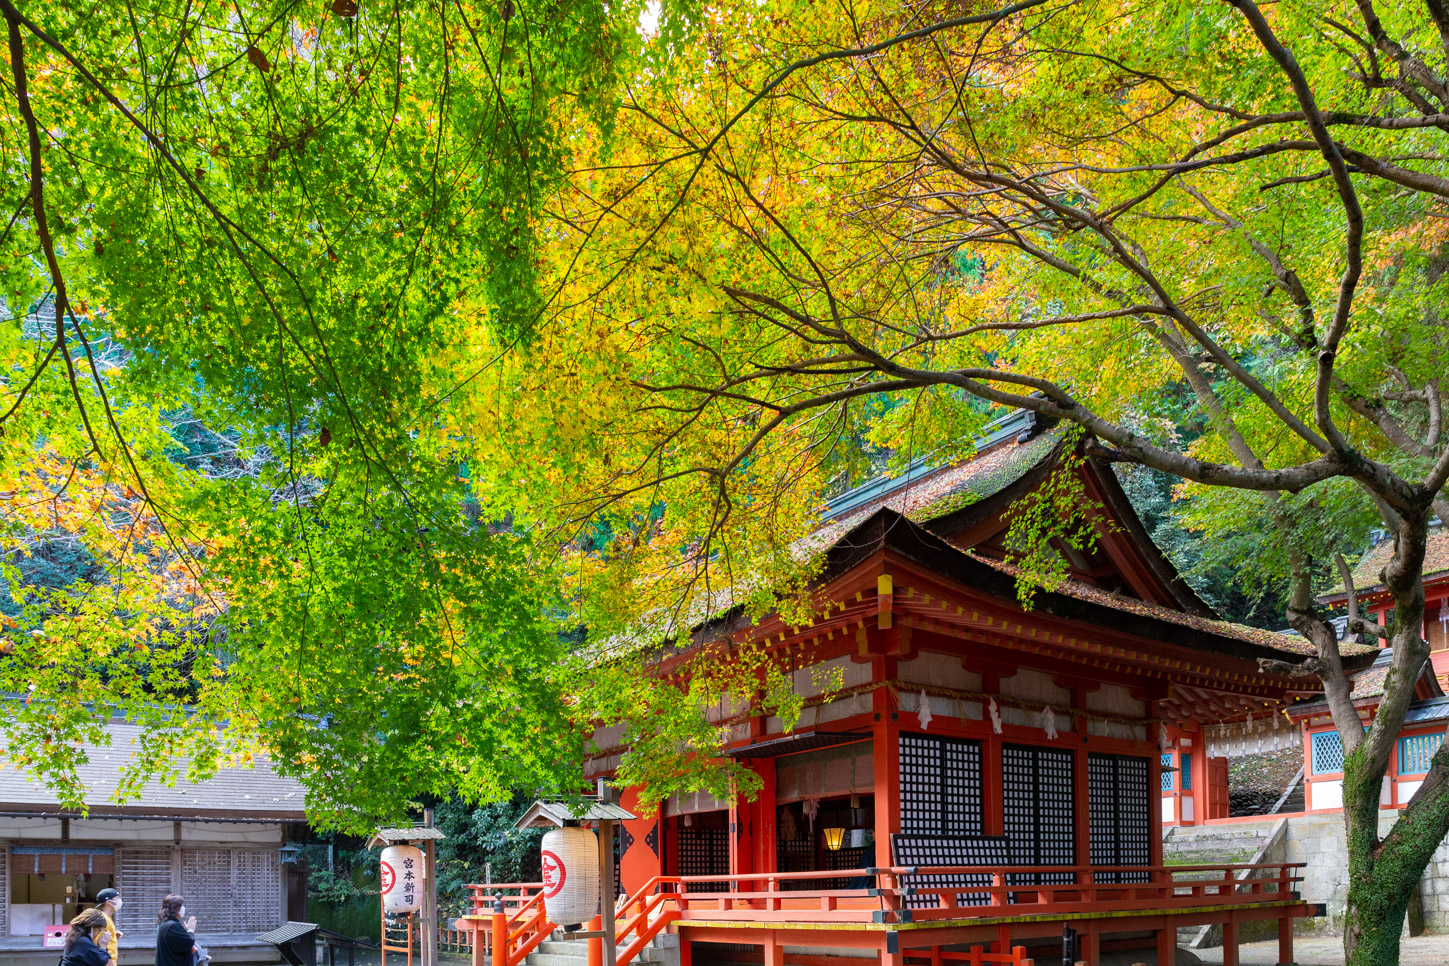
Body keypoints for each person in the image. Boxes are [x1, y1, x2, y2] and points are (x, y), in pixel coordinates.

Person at [153, 896, 197, 966]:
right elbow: (188, 942)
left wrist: (185, 930)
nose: (183, 908)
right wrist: (190, 930)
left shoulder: (165, 923)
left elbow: (177, 942)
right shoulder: (173, 926)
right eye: (181, 906)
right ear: (175, 908)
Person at [93, 889, 123, 965]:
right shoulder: (103, 920)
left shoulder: (107, 918)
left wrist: (113, 936)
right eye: (116, 898)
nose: (119, 900)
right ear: (109, 902)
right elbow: (102, 945)